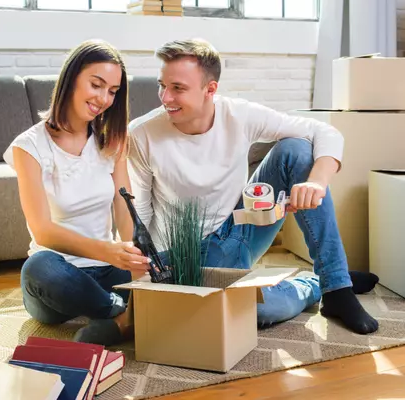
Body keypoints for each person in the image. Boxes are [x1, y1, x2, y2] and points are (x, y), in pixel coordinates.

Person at [127, 38, 380, 334]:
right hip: (189, 255)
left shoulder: (238, 114)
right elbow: (138, 213)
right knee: (258, 310)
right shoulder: (141, 134)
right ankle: (314, 283)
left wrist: (317, 182)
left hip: (241, 226)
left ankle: (336, 285)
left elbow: (324, 131)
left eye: (177, 88)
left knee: (297, 149)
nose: (165, 97)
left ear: (210, 90)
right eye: (162, 85)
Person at [3, 39, 149, 347]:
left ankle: (117, 317)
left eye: (112, 91)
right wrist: (106, 250)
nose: (104, 99)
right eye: (96, 85)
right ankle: (124, 314)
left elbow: (125, 211)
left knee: (171, 258)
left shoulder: (112, 141)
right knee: (38, 269)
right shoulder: (28, 147)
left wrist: (134, 256)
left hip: (109, 270)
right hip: (59, 275)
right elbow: (43, 231)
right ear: (72, 79)